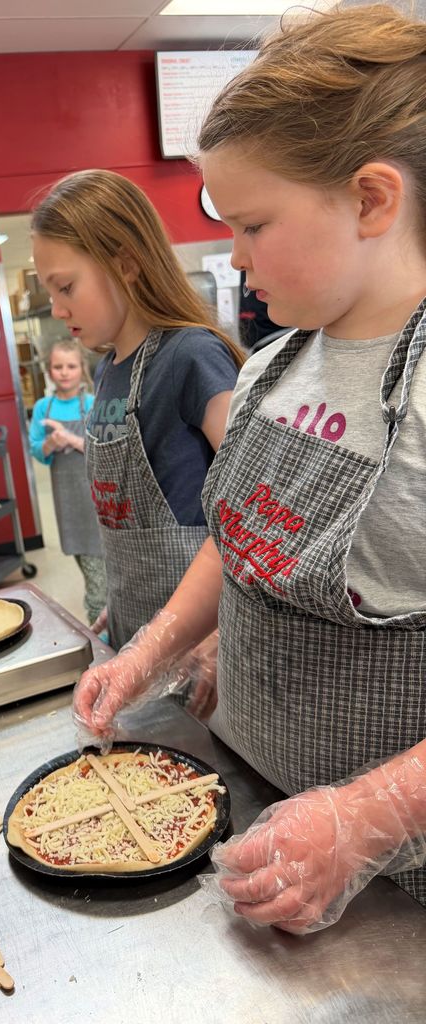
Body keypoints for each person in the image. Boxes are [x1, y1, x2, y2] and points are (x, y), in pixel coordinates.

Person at [73, 2, 426, 933]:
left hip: (389, 882)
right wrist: (153, 647)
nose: (233, 258)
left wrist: (368, 817)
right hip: (254, 805)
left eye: (253, 224)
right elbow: (239, 539)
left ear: (372, 199)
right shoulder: (273, 365)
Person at [31, 169, 243, 655]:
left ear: (125, 263)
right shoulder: (107, 369)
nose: (57, 310)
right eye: (50, 293)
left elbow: (255, 509)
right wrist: (120, 600)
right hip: (137, 625)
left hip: (202, 641)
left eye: (66, 287)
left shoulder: (191, 356)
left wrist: (218, 635)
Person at [28, 338, 106, 626]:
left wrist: (70, 439)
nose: (64, 372)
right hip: (69, 505)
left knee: (99, 579)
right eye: (57, 367)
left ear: (82, 368)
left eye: (71, 366)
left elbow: (103, 450)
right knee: (89, 566)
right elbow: (37, 451)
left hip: (96, 500)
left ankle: (100, 631)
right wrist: (51, 442)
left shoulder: (94, 403)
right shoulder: (43, 408)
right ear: (48, 370)